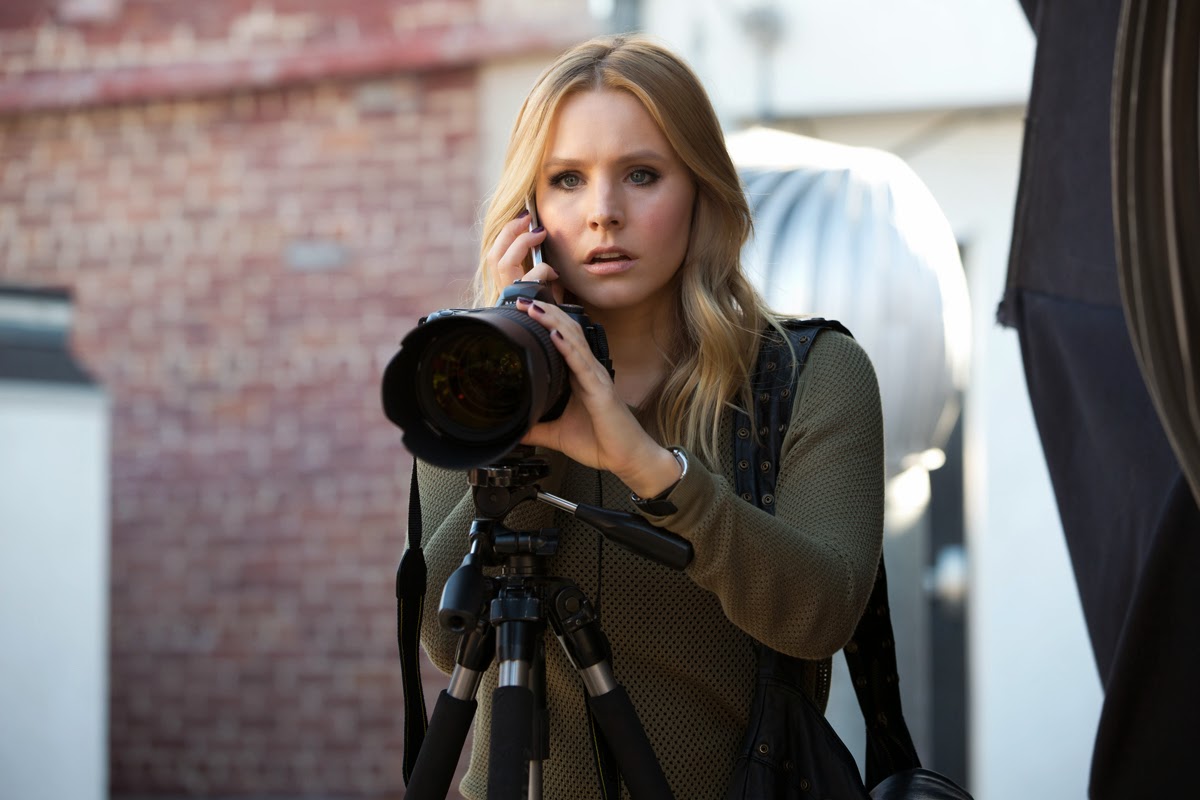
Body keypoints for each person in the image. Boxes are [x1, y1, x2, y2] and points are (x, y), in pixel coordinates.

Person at [413, 33, 884, 799]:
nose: (603, 213)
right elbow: (444, 637)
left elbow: (819, 615)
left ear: (700, 189)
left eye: (641, 174)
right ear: (529, 211)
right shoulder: (465, 379)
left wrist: (650, 469)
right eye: (567, 179)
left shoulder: (807, 376)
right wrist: (514, 396)